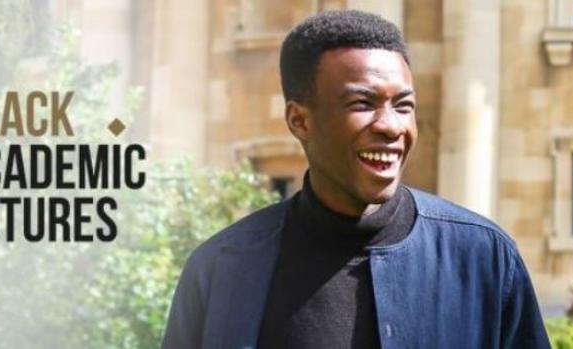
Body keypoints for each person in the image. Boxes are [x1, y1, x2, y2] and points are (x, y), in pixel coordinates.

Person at [162, 10, 551, 349]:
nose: (390, 126)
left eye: (404, 106)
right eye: (362, 104)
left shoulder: (484, 258)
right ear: (300, 120)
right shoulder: (221, 269)